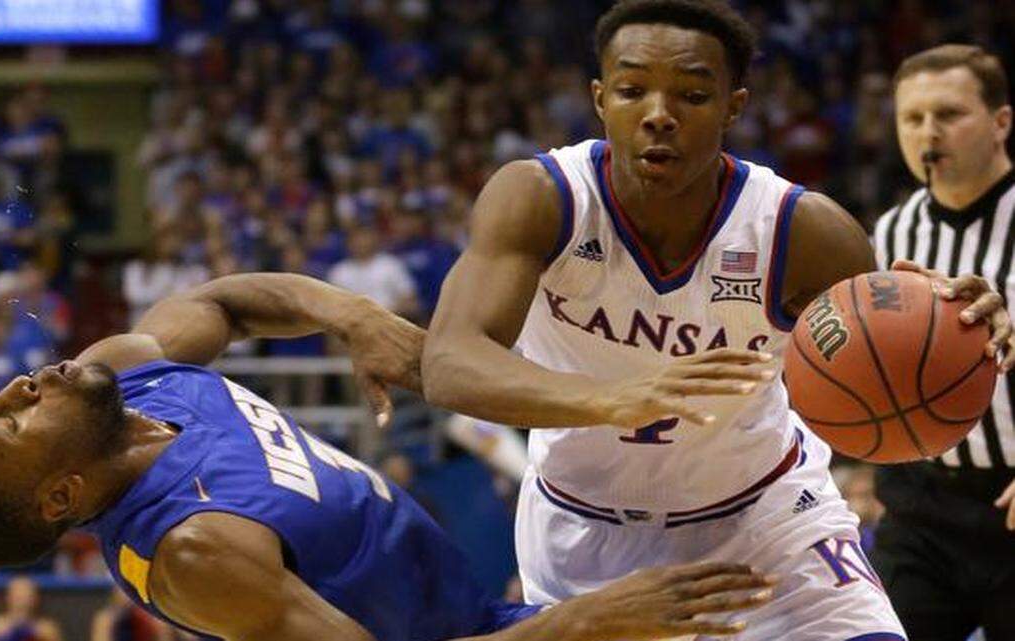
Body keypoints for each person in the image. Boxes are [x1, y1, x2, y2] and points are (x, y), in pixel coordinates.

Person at [420, 1, 1015, 639]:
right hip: (584, 532)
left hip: (765, 519)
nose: (658, 114)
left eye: (693, 95)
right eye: (631, 90)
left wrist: (947, 323)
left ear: (733, 107)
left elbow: (883, 352)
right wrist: (610, 398)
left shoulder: (804, 230)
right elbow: (449, 361)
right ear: (599, 99)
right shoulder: (541, 198)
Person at [0, 272, 778, 641]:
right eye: (1, 421)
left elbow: (226, 302)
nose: (17, 385)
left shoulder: (131, 375)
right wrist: (586, 623)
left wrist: (350, 315)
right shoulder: (194, 548)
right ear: (62, 492)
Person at [871, 44, 1015, 641]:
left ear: (1001, 121)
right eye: (912, 117)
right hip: (921, 506)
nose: (928, 132)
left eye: (949, 113)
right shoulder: (892, 229)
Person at [0, 577, 62, 641]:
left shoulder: (47, 629)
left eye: (27, 594)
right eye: (17, 594)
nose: (22, 598)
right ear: (7, 597)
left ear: (36, 598)